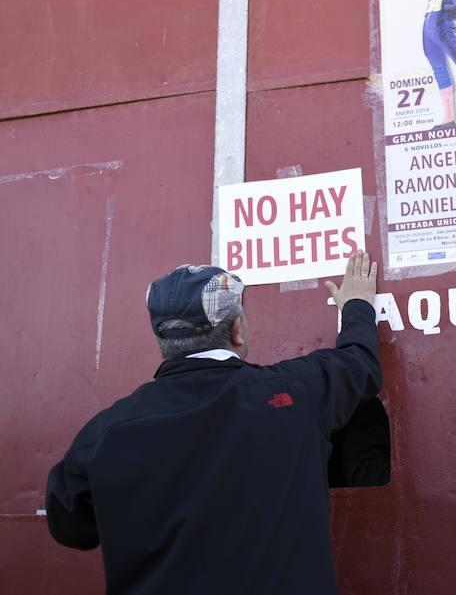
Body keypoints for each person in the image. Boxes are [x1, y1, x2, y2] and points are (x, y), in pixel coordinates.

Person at [45, 251, 382, 595]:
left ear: (163, 342)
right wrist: (357, 306)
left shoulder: (104, 435)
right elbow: (359, 364)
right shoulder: (297, 392)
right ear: (236, 330)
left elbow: (70, 527)